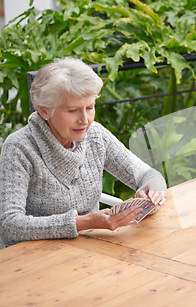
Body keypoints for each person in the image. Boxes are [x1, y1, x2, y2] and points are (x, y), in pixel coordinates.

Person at [0, 58, 167, 247]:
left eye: (90, 107)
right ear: (45, 111)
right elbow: (11, 224)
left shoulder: (96, 135)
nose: (85, 120)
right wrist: (84, 222)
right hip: (31, 258)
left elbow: (148, 174)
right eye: (73, 110)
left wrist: (153, 191)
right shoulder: (19, 147)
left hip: (90, 250)